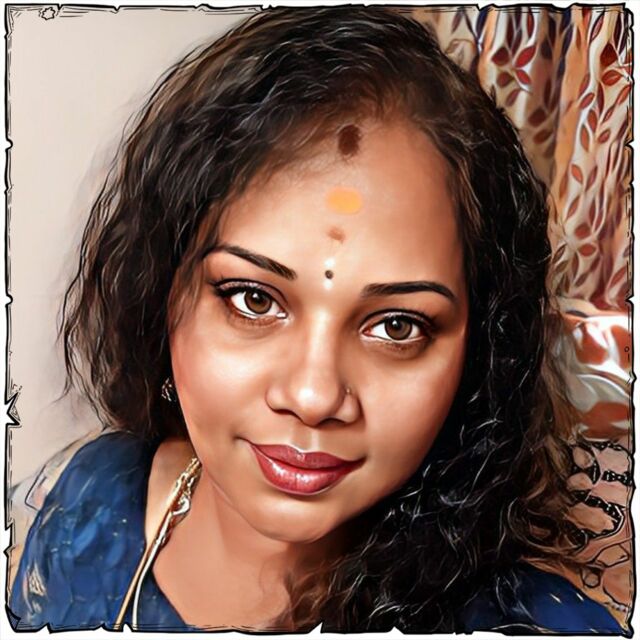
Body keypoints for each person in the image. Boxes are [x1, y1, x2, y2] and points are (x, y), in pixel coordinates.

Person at [8, 6, 626, 634]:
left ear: (479, 356)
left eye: (397, 326)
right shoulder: (86, 498)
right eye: (253, 299)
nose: (312, 397)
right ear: (163, 292)